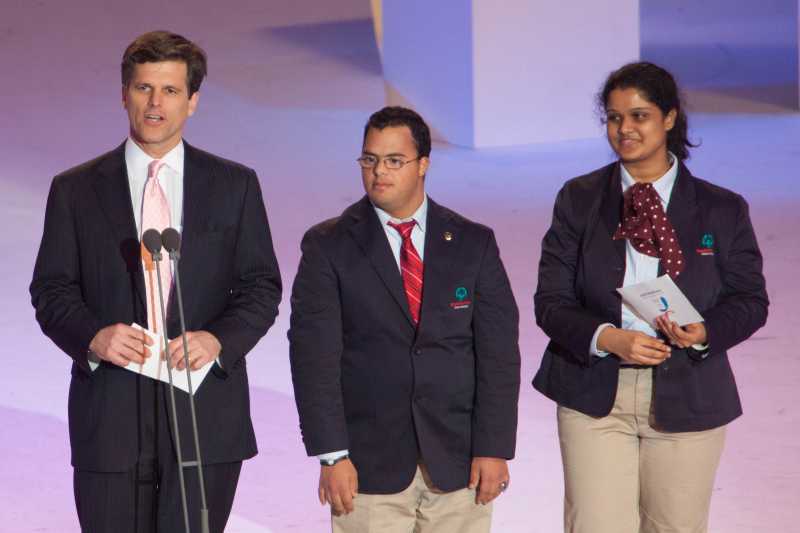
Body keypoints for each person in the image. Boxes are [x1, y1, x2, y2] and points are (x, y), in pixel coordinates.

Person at [30, 30, 282, 532]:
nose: (155, 104)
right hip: (111, 415)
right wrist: (93, 336)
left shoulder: (234, 185)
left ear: (193, 101)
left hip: (202, 414)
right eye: (144, 88)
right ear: (124, 93)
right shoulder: (76, 190)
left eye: (169, 91)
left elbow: (261, 287)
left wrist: (217, 339)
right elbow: (51, 290)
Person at [532, 61, 768, 533]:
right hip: (594, 392)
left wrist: (706, 332)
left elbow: (750, 300)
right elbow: (551, 301)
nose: (625, 129)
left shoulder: (721, 209)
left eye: (639, 116)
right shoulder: (579, 199)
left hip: (688, 392)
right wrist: (608, 338)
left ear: (669, 118)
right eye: (615, 118)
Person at [288, 106, 520, 533]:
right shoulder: (327, 246)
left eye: (394, 160)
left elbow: (498, 356)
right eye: (369, 159)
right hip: (367, 465)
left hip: (458, 462)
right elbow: (313, 359)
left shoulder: (473, 243)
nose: (379, 172)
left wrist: (494, 447)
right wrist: (332, 455)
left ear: (423, 165)